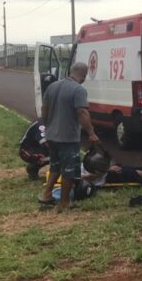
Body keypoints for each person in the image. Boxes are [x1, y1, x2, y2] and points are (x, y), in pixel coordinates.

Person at [38, 62, 100, 212]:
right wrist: (91, 133)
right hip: (67, 138)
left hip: (52, 136)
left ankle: (46, 195)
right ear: (84, 75)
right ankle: (64, 203)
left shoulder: (52, 86)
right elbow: (82, 113)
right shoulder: (79, 90)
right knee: (69, 171)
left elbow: (44, 110)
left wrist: (48, 126)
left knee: (56, 166)